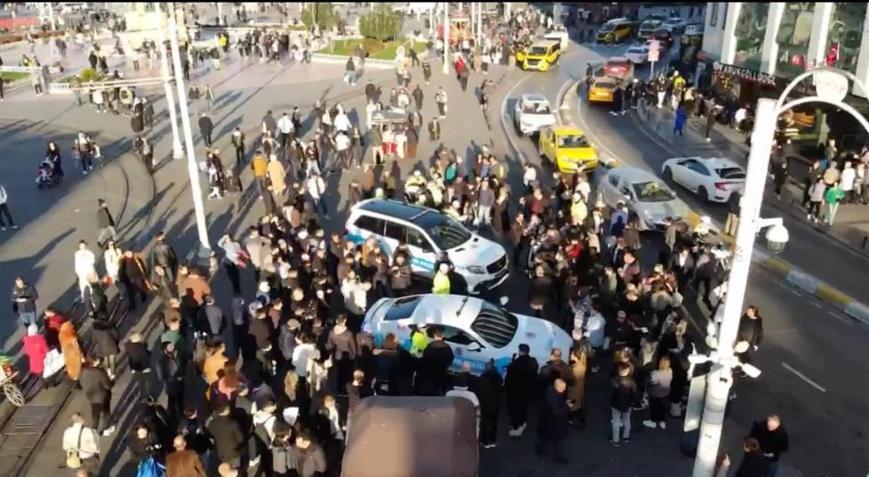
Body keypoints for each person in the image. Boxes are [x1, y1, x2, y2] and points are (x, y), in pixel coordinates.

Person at [505, 343, 539, 437]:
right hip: (526, 391)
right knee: (523, 408)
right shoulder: (532, 362)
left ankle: (516, 427)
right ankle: (522, 422)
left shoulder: (515, 365)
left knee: (514, 410)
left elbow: (509, 380)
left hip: (515, 391)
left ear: (520, 351)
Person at [79, 357, 116, 435]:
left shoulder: (82, 373)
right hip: (103, 397)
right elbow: (107, 385)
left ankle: (93, 430)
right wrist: (112, 380)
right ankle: (105, 429)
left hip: (92, 397)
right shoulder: (99, 372)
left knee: (95, 415)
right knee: (106, 413)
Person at [536, 378, 570, 463]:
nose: (564, 389)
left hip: (547, 420)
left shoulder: (550, 391)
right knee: (558, 440)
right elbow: (558, 411)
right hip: (555, 422)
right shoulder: (555, 398)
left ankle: (541, 448)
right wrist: (567, 406)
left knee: (546, 435)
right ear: (557, 387)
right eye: (563, 388)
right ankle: (559, 457)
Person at [609, 363, 637, 445]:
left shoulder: (614, 381)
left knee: (616, 422)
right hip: (627, 405)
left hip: (616, 405)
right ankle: (626, 437)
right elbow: (634, 394)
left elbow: (610, 393)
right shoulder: (632, 382)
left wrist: (610, 401)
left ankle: (615, 440)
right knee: (627, 420)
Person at [477, 360, 503, 449]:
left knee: (485, 422)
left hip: (486, 403)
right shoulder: (499, 376)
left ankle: (485, 441)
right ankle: (493, 441)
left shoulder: (484, 377)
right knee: (494, 422)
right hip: (496, 403)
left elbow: (481, 390)